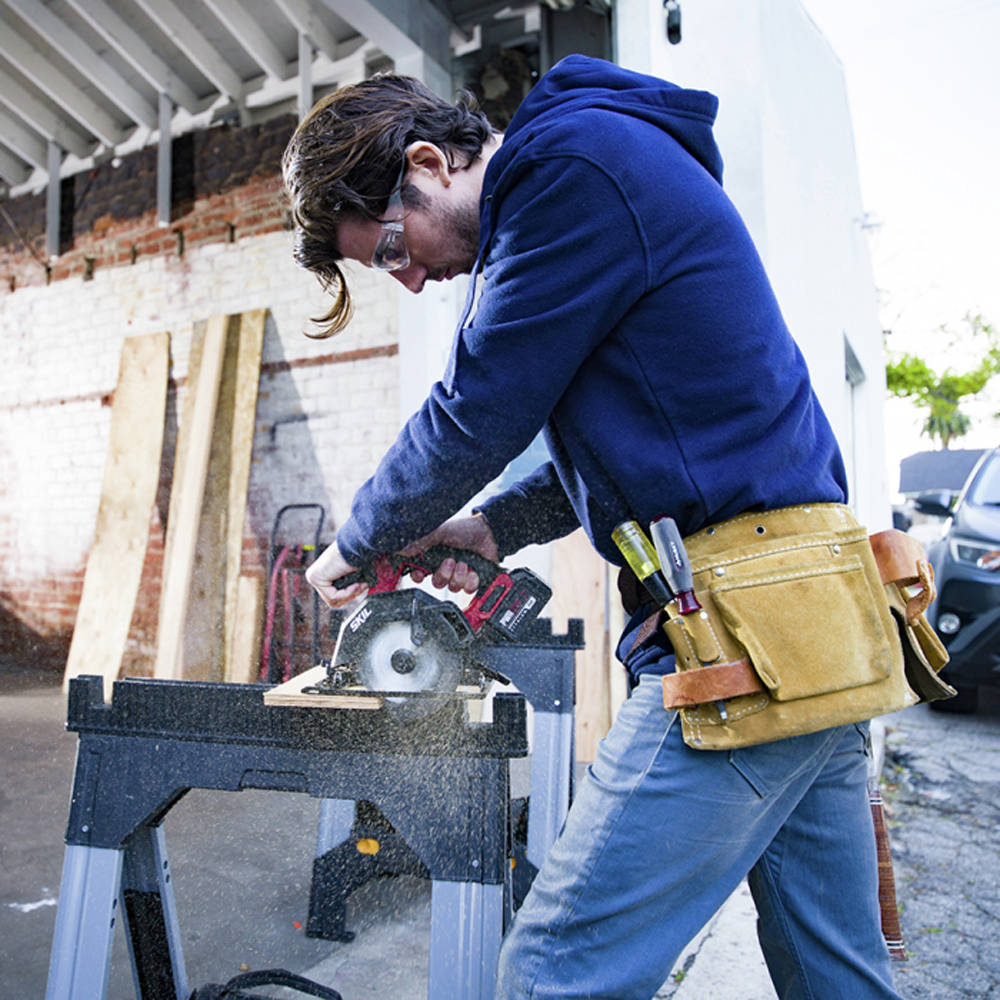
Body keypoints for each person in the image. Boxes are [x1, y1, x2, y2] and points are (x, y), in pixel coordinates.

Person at [282, 55, 903, 999]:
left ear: (430, 161)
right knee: (839, 979)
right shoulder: (600, 171)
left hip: (744, 641)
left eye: (393, 248)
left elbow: (476, 407)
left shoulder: (568, 171)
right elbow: (639, 428)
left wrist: (352, 545)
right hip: (816, 625)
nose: (408, 282)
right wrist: (491, 528)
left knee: (551, 974)